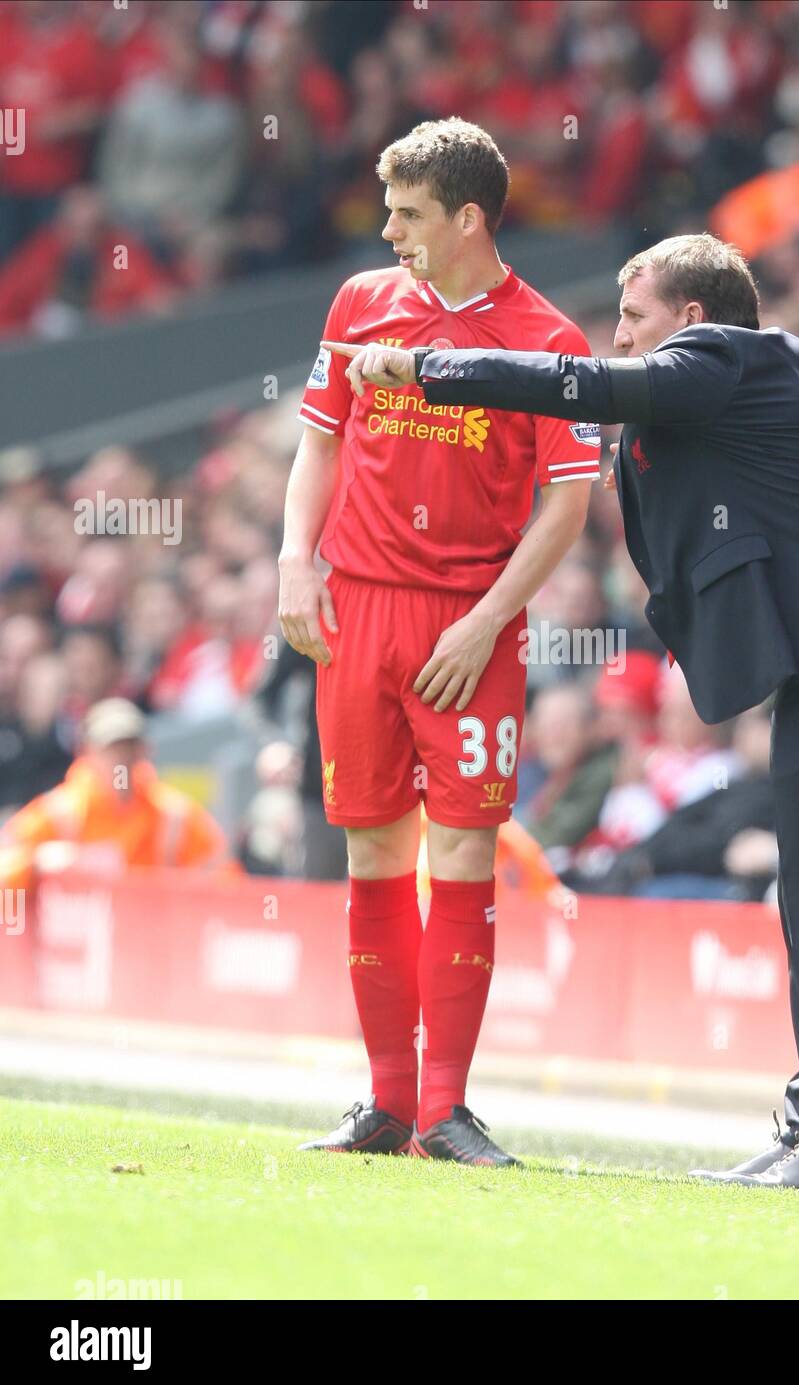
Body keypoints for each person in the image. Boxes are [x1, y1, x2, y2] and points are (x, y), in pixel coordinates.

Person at [329, 231, 799, 1196]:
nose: (617, 336)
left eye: (633, 317)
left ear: (692, 320)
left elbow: (589, 389)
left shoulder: (727, 359)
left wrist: (427, 368)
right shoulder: (763, 378)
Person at [280, 119, 599, 1166]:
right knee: (372, 847)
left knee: (463, 851)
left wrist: (487, 617)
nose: (388, 232)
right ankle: (383, 1100)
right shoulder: (361, 304)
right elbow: (318, 439)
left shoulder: (548, 341)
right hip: (358, 609)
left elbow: (565, 504)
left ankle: (444, 1109)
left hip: (470, 623)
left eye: (408, 215)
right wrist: (295, 559)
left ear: (467, 218)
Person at [0, 698, 232, 888]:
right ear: (86, 751)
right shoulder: (62, 812)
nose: (121, 759)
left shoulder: (172, 815)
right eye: (111, 748)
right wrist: (38, 861)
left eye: (128, 747)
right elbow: (7, 862)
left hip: (150, 938)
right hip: (73, 937)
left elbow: (224, 878)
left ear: (144, 751)